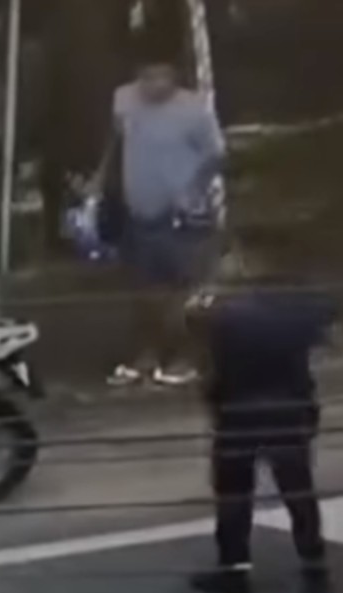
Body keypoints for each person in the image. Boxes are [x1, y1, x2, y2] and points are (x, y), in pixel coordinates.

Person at [186, 229, 340, 593]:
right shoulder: (304, 302)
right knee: (298, 489)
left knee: (234, 492)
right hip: (290, 407)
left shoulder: (219, 308)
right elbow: (335, 340)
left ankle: (234, 570)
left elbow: (194, 336)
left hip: (238, 411)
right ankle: (314, 566)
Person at [89, 43, 227, 388]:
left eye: (162, 75)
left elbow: (217, 155)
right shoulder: (123, 100)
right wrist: (100, 178)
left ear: (175, 75)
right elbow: (117, 140)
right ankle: (145, 355)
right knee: (144, 288)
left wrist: (194, 188)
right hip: (139, 209)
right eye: (147, 76)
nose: (154, 84)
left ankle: (188, 356)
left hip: (182, 213)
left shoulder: (194, 109)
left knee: (185, 287)